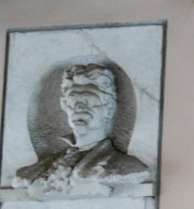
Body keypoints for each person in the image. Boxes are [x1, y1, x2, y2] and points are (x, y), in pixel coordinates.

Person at [13, 63, 150, 197]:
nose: (79, 108)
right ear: (64, 105)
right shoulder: (34, 171)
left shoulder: (126, 167)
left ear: (109, 108)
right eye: (73, 100)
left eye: (89, 101)